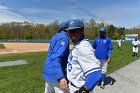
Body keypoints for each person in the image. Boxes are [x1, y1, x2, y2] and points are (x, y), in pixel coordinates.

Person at [66, 19, 101, 93]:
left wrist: (80, 91)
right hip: (73, 86)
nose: (72, 34)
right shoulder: (79, 44)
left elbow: (95, 75)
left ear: (82, 31)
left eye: (75, 31)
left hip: (78, 88)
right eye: (70, 31)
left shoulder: (83, 47)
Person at [43, 21, 69, 93]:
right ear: (67, 30)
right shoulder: (64, 38)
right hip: (56, 73)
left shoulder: (55, 36)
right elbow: (56, 57)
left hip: (48, 70)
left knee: (47, 91)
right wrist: (61, 77)